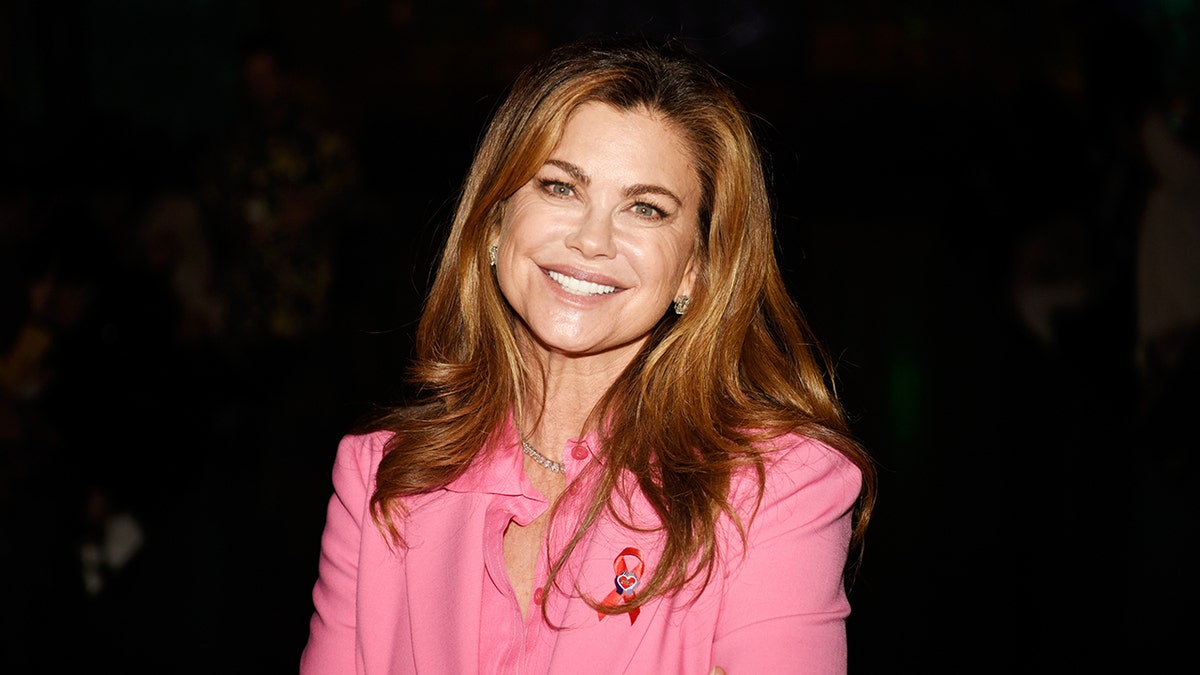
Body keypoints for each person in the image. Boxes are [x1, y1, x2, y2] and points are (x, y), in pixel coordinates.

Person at [300, 35, 876, 674]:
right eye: (559, 188)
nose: (591, 239)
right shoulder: (381, 479)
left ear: (695, 271)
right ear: (495, 223)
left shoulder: (777, 488)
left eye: (646, 208)